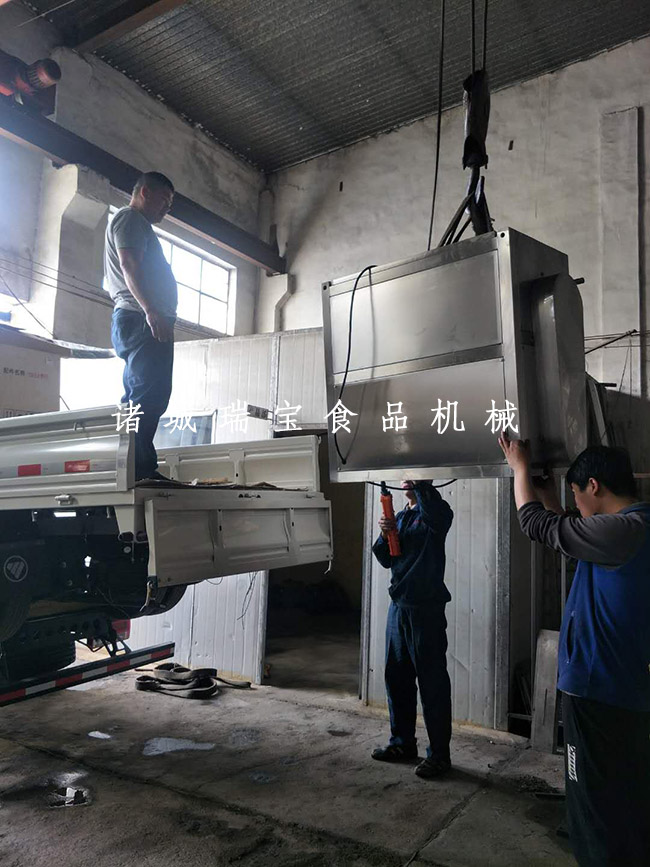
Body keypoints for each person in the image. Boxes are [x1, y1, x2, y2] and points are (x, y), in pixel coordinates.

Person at [498, 437, 650, 866]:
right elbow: (570, 531)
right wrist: (551, 493)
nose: (576, 505)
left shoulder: (622, 532)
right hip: (622, 690)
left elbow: (535, 524)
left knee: (593, 803)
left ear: (595, 486)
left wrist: (520, 469)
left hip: (597, 690)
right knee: (621, 797)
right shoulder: (633, 529)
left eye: (578, 494)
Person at [370, 479, 454, 779]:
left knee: (432, 683)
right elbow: (385, 558)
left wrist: (421, 484)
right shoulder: (402, 516)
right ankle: (402, 743)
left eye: (413, 474)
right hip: (399, 607)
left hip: (425, 610)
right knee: (397, 679)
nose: (405, 478)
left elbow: (434, 516)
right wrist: (385, 532)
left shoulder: (437, 511)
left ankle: (439, 755)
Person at [104, 172, 177, 481]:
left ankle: (137, 465)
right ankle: (136, 469)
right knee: (146, 395)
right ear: (145, 192)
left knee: (148, 394)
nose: (166, 209)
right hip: (141, 319)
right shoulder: (131, 219)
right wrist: (151, 310)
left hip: (140, 319)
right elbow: (129, 265)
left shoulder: (137, 224)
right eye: (164, 200)